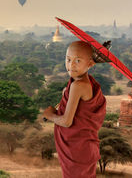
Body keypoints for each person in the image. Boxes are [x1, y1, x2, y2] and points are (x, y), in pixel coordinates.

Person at [43, 41, 106, 178]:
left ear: (90, 64)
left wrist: (50, 115)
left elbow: (66, 122)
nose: (71, 65)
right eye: (68, 59)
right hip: (80, 147)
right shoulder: (79, 83)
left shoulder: (78, 85)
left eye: (78, 60)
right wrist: (67, 94)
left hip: (77, 149)